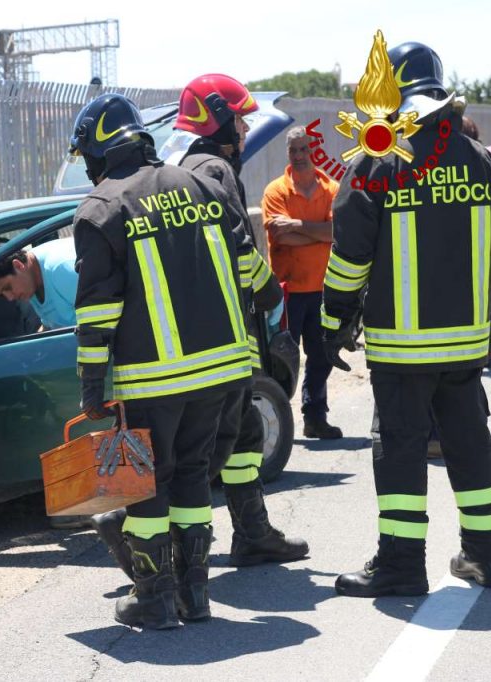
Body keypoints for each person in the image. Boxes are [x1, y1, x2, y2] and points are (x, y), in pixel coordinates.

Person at [70, 92, 255, 628]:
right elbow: (244, 268)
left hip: (156, 377)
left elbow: (98, 311)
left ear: (99, 150)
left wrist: (90, 385)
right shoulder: (202, 185)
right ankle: (195, 596)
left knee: (148, 484)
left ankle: (154, 598)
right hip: (223, 367)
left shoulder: (102, 207)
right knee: (195, 474)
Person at [323, 40, 491, 597]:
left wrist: (332, 322)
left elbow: (350, 258)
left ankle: (400, 565)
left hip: (403, 349)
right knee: (471, 448)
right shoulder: (480, 160)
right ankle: (485, 555)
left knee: (398, 452)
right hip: (468, 348)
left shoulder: (377, 159)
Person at [173, 74, 309, 566]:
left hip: (215, 324)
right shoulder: (215, 170)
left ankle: (252, 532)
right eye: (239, 117)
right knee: (219, 438)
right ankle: (136, 522)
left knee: (245, 430)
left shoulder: (192, 166)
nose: (247, 126)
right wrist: (271, 293)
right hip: (227, 327)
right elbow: (236, 247)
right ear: (218, 118)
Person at [262, 126, 343, 439]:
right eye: (293, 150)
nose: (299, 156)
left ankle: (314, 416)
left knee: (322, 356)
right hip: (287, 292)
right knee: (281, 357)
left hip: (324, 290)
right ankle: (276, 422)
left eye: (304, 150)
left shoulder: (332, 190)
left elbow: (338, 233)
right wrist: (320, 231)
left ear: (316, 152)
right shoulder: (275, 191)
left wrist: (297, 226)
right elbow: (279, 235)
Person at [0, 239, 79, 330]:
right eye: (2, 294)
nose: (10, 298)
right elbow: (50, 325)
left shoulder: (61, 269)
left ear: (18, 265)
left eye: (8, 287)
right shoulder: (30, 278)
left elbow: (93, 327)